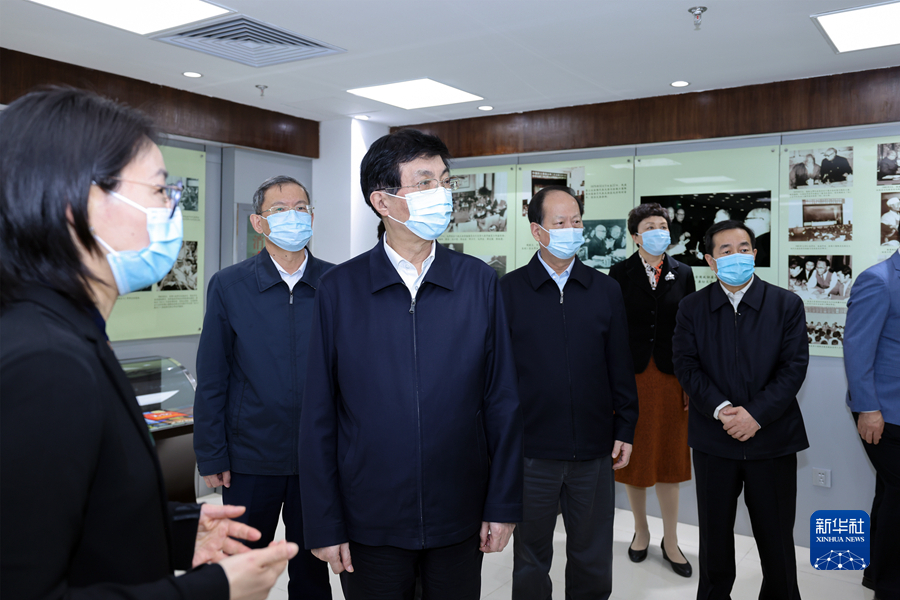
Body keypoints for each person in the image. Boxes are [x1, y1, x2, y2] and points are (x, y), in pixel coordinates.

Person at [0, 87, 297, 600]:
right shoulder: (44, 362)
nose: (171, 208)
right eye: (160, 191)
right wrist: (214, 589)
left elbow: (75, 513)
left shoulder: (67, 330)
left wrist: (178, 530)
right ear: (78, 204)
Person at [299, 129, 523, 600]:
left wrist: (502, 503)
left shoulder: (478, 282)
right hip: (370, 518)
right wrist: (324, 522)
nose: (442, 193)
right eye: (424, 183)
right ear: (383, 201)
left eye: (445, 181)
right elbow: (319, 414)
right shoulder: (340, 289)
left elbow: (502, 400)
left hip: (458, 515)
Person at [193, 176, 334, 599]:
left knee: (313, 572)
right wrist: (211, 452)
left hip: (318, 457)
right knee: (242, 567)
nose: (294, 216)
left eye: (301, 208)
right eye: (280, 209)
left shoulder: (336, 283)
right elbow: (213, 375)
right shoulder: (230, 285)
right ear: (259, 222)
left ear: (312, 217)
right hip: (250, 456)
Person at [500, 187, 638, 600]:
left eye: (576, 221)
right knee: (531, 559)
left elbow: (620, 364)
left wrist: (626, 427)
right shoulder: (508, 291)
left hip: (594, 451)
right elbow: (498, 376)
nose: (571, 229)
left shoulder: (604, 289)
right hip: (532, 452)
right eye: (559, 222)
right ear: (537, 231)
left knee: (592, 558)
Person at [672, 220, 809, 600]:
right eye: (726, 250)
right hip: (714, 441)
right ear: (710, 260)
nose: (738, 256)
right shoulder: (691, 307)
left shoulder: (785, 304)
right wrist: (721, 410)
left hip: (773, 440)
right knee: (714, 538)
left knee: (777, 539)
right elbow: (685, 365)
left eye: (744, 248)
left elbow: (793, 368)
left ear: (755, 253)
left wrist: (755, 415)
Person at [609, 203, 696, 578]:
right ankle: (641, 531)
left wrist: (691, 379)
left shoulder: (684, 272)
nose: (659, 231)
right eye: (650, 226)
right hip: (633, 378)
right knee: (636, 458)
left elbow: (691, 330)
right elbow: (613, 330)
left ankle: (671, 539)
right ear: (635, 236)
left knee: (671, 461)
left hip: (673, 377)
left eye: (663, 225)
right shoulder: (619, 273)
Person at [843, 249, 900, 600]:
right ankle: (890, 587)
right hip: (883, 411)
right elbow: (857, 347)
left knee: (890, 490)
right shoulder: (879, 280)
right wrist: (867, 409)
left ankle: (874, 573)